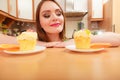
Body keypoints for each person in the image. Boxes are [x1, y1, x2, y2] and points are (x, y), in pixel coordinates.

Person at [36, 0, 120, 48]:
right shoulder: (32, 44)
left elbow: (117, 39)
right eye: (46, 15)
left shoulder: (71, 42)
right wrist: (46, 44)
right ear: (39, 22)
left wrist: (79, 40)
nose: (55, 18)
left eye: (58, 14)